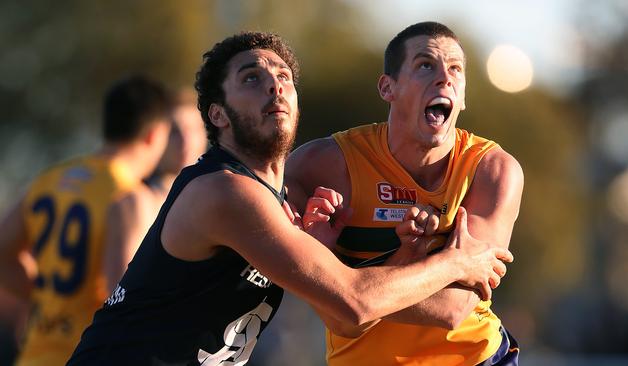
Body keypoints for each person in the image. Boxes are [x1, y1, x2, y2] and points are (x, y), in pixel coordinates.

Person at [66, 31, 512, 366]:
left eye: (283, 77)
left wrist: (398, 254)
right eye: (252, 78)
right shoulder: (226, 192)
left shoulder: (279, 200)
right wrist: (457, 262)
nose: (275, 86)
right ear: (217, 114)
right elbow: (352, 303)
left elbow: (355, 304)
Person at [286, 21, 525, 365]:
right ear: (387, 87)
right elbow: (340, 318)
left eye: (456, 69)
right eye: (426, 65)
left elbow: (452, 307)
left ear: (464, 95)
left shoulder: (491, 169)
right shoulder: (323, 164)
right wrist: (448, 261)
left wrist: (346, 284)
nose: (445, 78)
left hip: (475, 357)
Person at [0, 75, 172, 365]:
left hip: (32, 356)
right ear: (155, 135)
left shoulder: (49, 180)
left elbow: (2, 252)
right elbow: (124, 295)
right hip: (83, 356)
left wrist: (48, 297)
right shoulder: (130, 197)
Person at [103, 88, 208, 291]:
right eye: (175, 131)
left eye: (194, 129)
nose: (186, 141)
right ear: (156, 135)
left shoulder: (215, 199)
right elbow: (120, 293)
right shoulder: (136, 201)